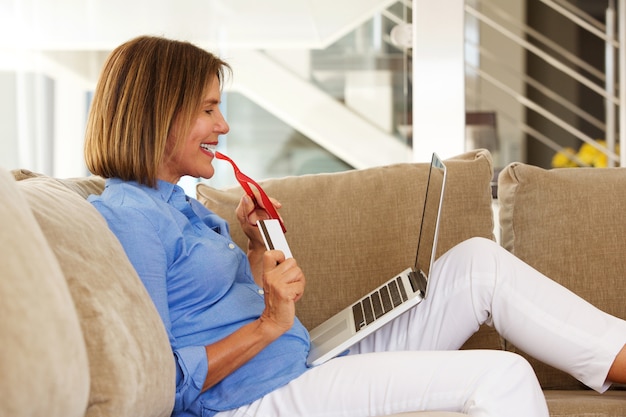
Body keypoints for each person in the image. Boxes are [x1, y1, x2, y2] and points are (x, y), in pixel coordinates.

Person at [85, 35, 626, 417]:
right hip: (252, 399)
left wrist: (255, 254)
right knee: (502, 376)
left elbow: (208, 307)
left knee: (476, 263)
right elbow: (161, 382)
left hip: (299, 360)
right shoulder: (130, 218)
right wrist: (271, 322)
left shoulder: (176, 203)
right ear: (162, 113)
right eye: (209, 111)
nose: (223, 126)